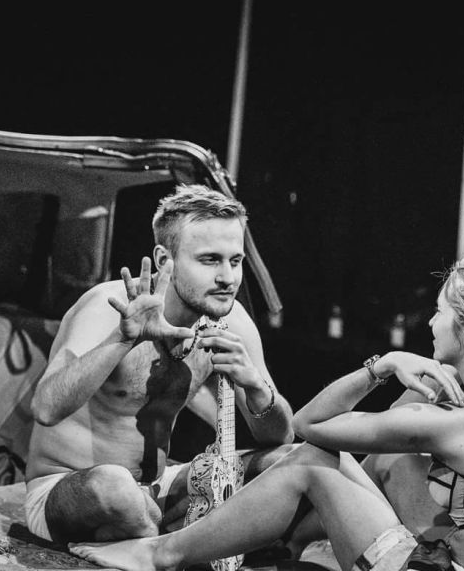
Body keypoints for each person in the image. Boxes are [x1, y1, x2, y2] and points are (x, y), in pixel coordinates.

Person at [70, 232, 464, 571]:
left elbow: (309, 425)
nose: (431, 323)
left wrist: (382, 366)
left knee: (311, 462)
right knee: (392, 453)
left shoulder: (457, 423)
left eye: (439, 312)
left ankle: (163, 555)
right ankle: (310, 544)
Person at [23, 183, 295, 544]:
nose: (227, 278)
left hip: (155, 489)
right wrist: (122, 340)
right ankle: (168, 545)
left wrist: (256, 387)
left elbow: (280, 438)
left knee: (291, 462)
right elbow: (45, 408)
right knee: (116, 487)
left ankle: (154, 540)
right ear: (165, 259)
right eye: (209, 260)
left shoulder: (232, 322)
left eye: (235, 261)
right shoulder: (108, 306)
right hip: (70, 490)